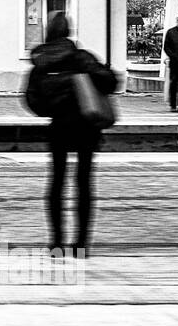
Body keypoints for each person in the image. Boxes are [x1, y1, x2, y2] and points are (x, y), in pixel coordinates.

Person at [25, 13, 118, 258]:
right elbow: (111, 82)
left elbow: (32, 100)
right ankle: (81, 245)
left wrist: (53, 107)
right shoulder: (81, 57)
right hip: (86, 125)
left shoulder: (41, 61)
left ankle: (56, 243)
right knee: (84, 182)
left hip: (59, 127)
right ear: (68, 31)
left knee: (56, 182)